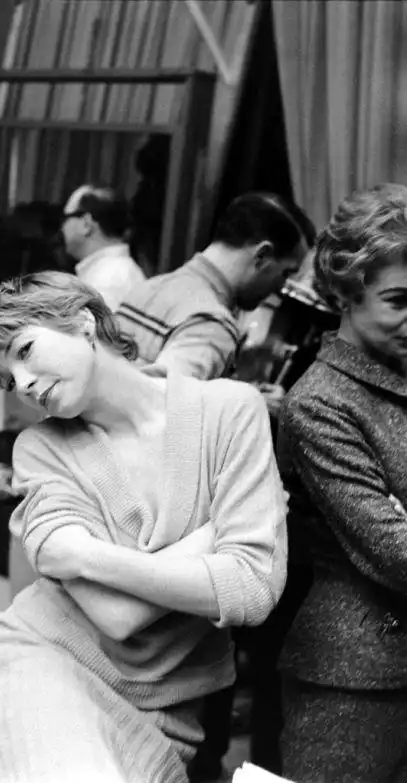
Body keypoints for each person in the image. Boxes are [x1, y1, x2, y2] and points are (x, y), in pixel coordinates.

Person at [0, 270, 288, 783]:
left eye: (24, 351)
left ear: (83, 322)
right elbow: (115, 616)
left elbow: (253, 590)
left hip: (167, 711)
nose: (22, 384)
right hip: (42, 662)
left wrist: (85, 555)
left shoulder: (231, 411)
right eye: (7, 381)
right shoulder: (40, 450)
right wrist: (211, 537)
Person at [277, 183, 407, 782]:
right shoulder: (319, 402)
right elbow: (394, 552)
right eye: (398, 301)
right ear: (346, 294)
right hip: (354, 676)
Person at [115, 191, 314, 381]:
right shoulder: (212, 324)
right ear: (262, 255)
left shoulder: (148, 287)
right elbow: (165, 399)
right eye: (286, 272)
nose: (282, 286)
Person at [60, 183, 146, 310]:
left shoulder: (105, 281)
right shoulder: (116, 271)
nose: (62, 227)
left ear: (86, 224)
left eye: (66, 218)